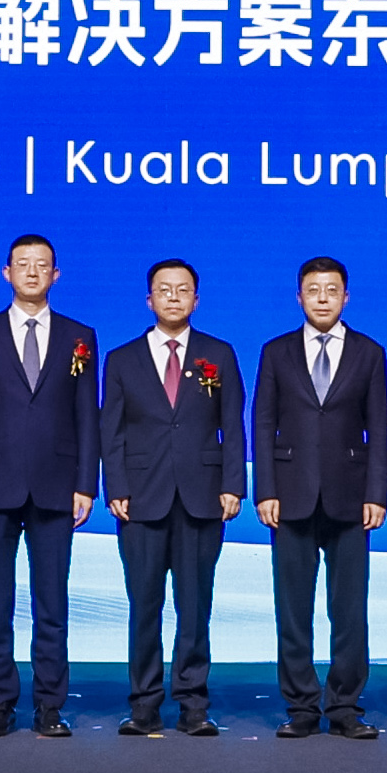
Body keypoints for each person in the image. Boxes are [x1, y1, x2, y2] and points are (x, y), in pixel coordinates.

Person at [0, 233, 99, 737]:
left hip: (57, 485)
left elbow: (88, 416)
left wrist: (86, 484)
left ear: (55, 275)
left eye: (41, 265)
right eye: (22, 264)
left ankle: (50, 706)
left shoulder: (79, 335)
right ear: (6, 273)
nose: (32, 272)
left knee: (51, 604)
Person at [100, 256, 245, 738]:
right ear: (149, 300)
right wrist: (116, 487)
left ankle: (193, 704)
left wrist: (232, 485)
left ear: (196, 300)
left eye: (183, 290)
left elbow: (233, 425)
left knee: (194, 606)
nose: (174, 297)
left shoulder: (218, 354)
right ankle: (143, 704)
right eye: (164, 290)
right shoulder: (122, 359)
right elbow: (110, 431)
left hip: (202, 497)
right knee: (144, 605)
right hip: (141, 499)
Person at [256, 256, 387, 739]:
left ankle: (345, 706)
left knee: (349, 610)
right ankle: (301, 706)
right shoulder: (276, 352)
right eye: (313, 290)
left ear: (346, 297)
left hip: (351, 498)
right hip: (290, 496)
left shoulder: (369, 353)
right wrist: (265, 490)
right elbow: (262, 424)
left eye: (332, 290)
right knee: (293, 609)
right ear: (299, 297)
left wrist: (378, 493)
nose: (322, 299)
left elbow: (380, 427)